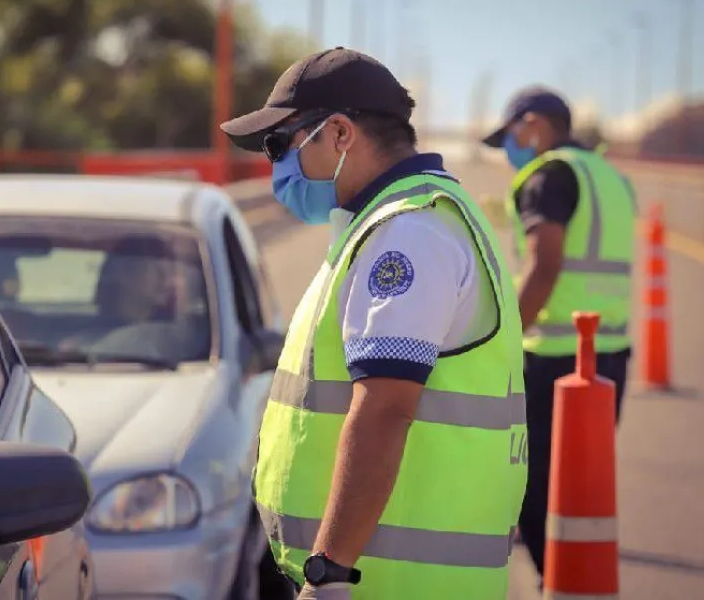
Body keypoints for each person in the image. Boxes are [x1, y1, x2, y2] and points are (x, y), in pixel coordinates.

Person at [220, 47, 527, 600]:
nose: (275, 166)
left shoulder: (408, 234)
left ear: (339, 134)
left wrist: (329, 572)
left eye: (278, 144)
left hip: (389, 583)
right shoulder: (396, 221)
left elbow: (385, 410)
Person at [481, 86, 636, 585]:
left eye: (510, 135)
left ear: (534, 124)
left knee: (533, 491)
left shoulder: (548, 176)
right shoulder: (609, 178)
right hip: (607, 352)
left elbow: (545, 266)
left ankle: (561, 584)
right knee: (577, 490)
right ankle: (571, 582)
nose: (509, 149)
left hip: (551, 358)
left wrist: (502, 342)